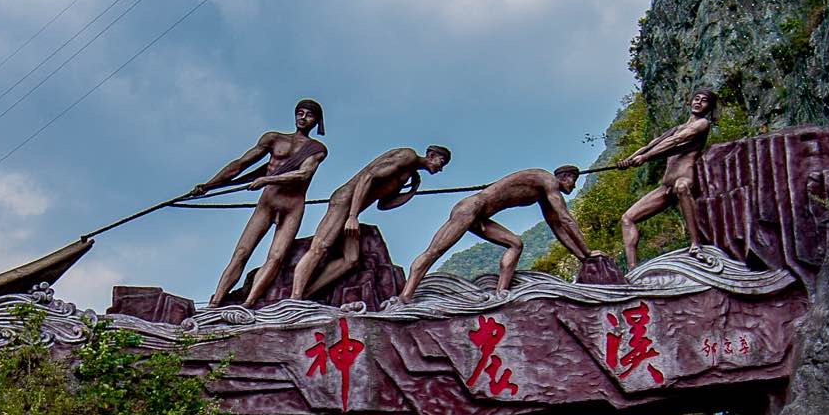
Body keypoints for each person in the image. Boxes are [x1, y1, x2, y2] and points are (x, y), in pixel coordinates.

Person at [193, 98, 330, 308]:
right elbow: (240, 164)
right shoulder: (274, 139)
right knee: (241, 252)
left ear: (317, 121)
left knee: (275, 257)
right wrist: (210, 185)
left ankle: (248, 304)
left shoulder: (317, 148)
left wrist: (267, 179)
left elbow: (304, 174)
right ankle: (215, 302)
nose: (303, 118)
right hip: (268, 202)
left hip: (292, 206)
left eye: (309, 115)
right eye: (300, 113)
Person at [400, 164, 594, 299]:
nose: (573, 186)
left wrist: (583, 257)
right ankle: (405, 297)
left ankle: (501, 293)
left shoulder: (544, 193)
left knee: (516, 244)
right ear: (565, 177)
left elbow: (558, 227)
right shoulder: (547, 180)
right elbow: (566, 219)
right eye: (573, 181)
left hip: (480, 217)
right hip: (470, 208)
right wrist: (588, 252)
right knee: (434, 251)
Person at [289, 142, 451, 299]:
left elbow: (384, 204)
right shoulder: (407, 156)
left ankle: (307, 295)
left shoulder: (408, 174)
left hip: (353, 210)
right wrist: (352, 216)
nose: (440, 168)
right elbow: (367, 177)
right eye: (441, 162)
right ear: (431, 155)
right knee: (320, 247)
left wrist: (412, 191)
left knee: (351, 260)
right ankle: (294, 298)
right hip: (345, 202)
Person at [618, 86, 720, 268]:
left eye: (704, 100)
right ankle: (632, 269)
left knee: (682, 187)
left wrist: (645, 158)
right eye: (697, 98)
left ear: (709, 107)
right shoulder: (676, 128)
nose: (699, 102)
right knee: (628, 218)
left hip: (685, 180)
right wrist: (628, 160)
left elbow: (677, 141)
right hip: (666, 187)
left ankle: (696, 244)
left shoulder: (702, 124)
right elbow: (651, 145)